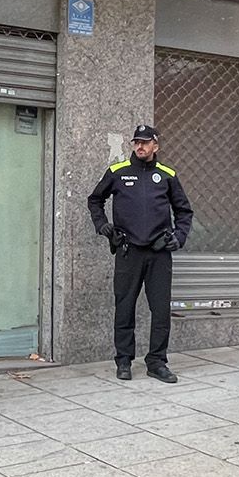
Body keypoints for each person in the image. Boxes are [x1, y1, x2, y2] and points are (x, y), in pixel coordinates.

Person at [87, 124, 193, 383]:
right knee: (124, 308)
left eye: (145, 142)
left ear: (156, 145)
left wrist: (178, 237)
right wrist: (103, 226)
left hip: (158, 254)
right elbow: (94, 200)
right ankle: (123, 361)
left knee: (160, 311)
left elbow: (184, 211)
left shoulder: (167, 174)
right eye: (136, 142)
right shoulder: (117, 172)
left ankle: (157, 362)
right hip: (128, 251)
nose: (140, 147)